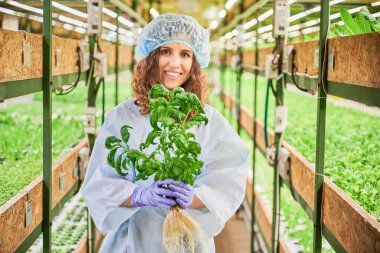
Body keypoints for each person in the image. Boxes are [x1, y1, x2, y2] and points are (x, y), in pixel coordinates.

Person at [81, 13, 249, 253]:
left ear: (194, 63)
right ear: (151, 56)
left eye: (185, 54)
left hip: (189, 241)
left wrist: (194, 197)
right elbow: (99, 182)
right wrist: (139, 195)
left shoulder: (207, 119)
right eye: (165, 51)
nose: (174, 63)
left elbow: (229, 178)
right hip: (134, 240)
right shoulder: (123, 116)